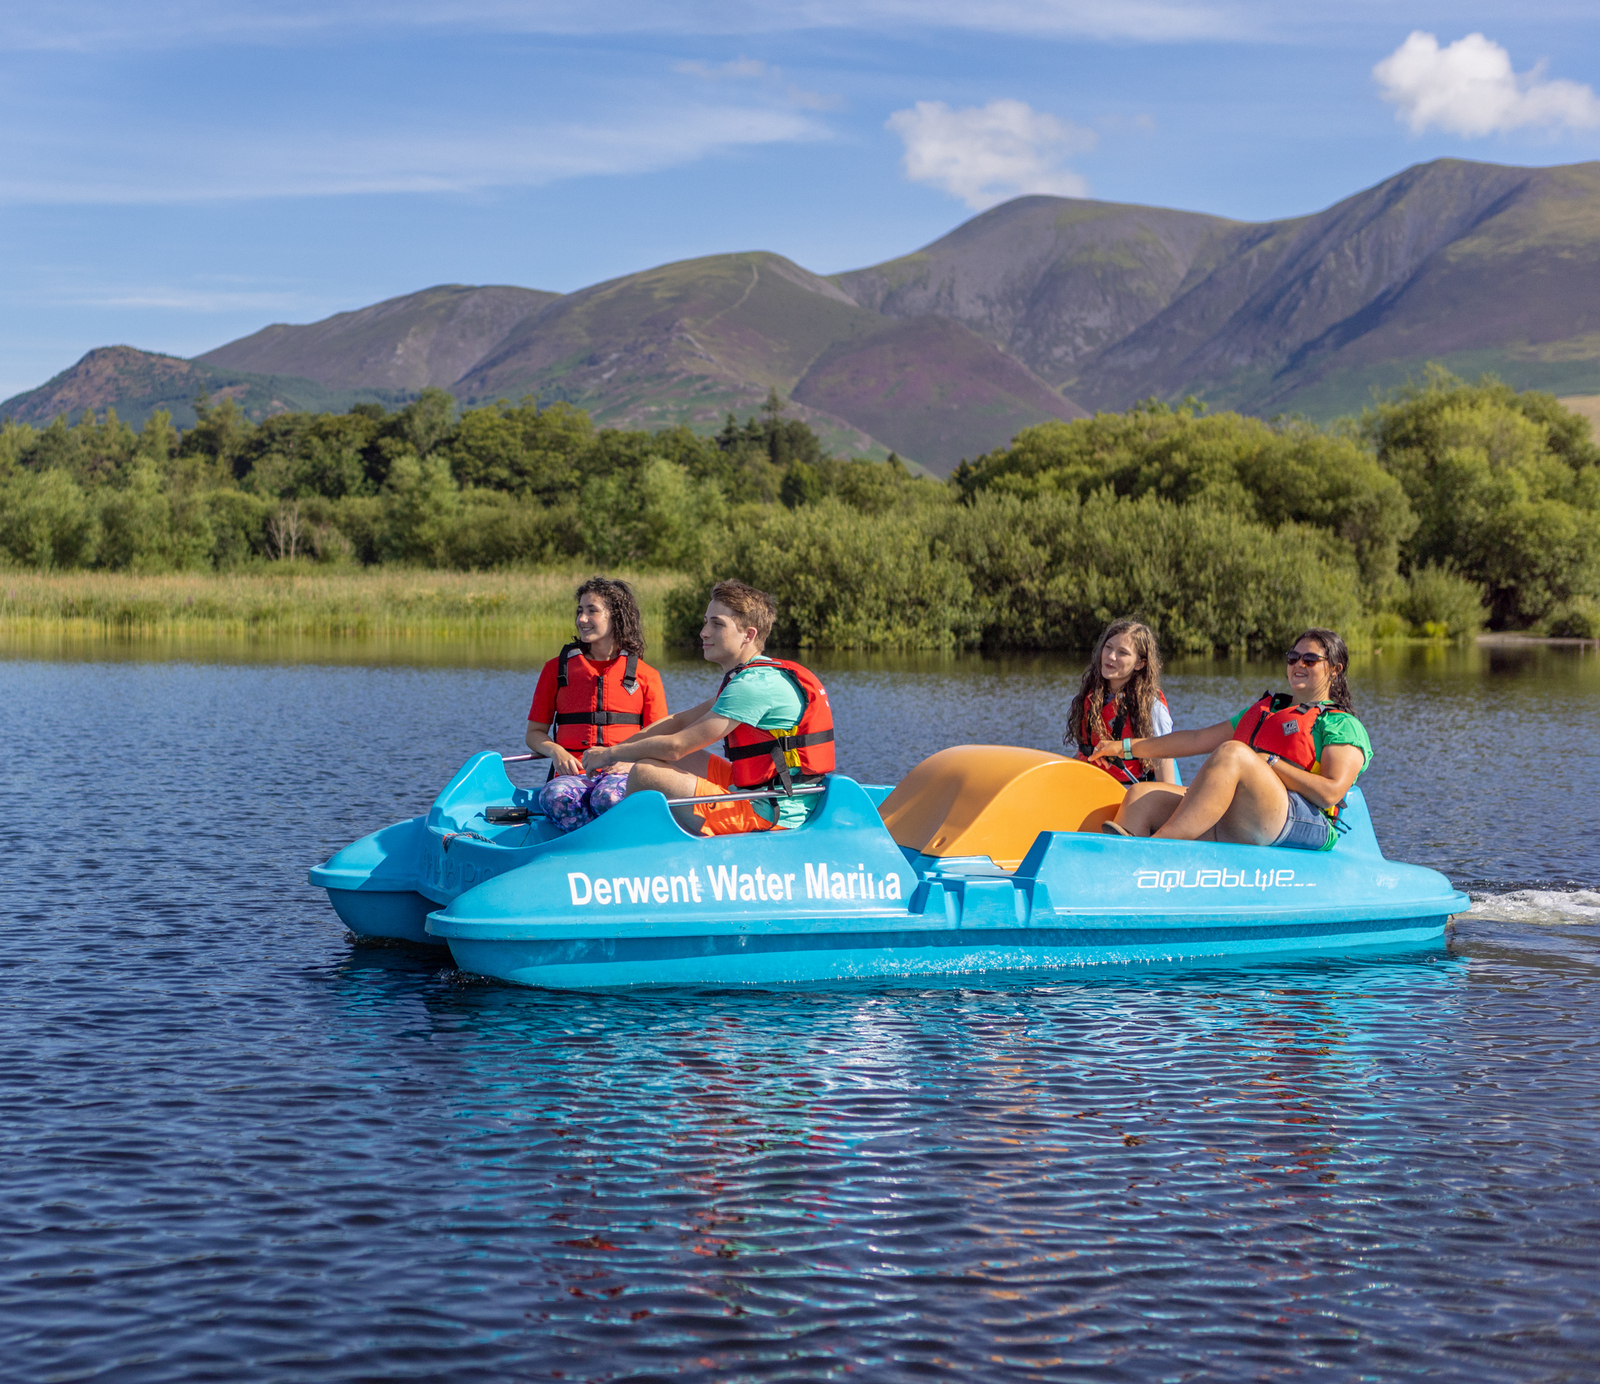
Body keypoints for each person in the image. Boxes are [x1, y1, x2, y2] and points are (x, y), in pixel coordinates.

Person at [581, 579, 835, 836]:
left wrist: (610, 756)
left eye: (717, 624)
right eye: (706, 621)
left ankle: (623, 846)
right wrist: (616, 751)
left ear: (749, 635)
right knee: (662, 755)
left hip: (771, 812)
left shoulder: (753, 686)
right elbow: (678, 721)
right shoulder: (754, 676)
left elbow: (676, 746)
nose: (704, 632)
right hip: (758, 790)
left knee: (646, 773)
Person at [1090, 627, 1370, 851]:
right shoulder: (1266, 711)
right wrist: (1126, 747)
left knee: (1234, 753)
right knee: (1141, 796)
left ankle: (1157, 849)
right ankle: (1121, 878)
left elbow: (1330, 793)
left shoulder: (1341, 724)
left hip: (1304, 819)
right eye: (1292, 658)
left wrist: (1269, 762)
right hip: (1244, 814)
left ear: (1335, 669)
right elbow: (1195, 739)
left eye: (1310, 660)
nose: (1298, 664)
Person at [525, 577, 668, 832]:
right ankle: (587, 848)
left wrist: (632, 764)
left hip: (623, 774)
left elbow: (660, 742)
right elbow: (534, 734)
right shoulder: (555, 670)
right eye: (580, 611)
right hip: (574, 776)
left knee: (608, 798)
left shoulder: (647, 676)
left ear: (616, 617)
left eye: (592, 611)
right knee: (556, 797)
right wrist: (556, 752)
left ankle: (607, 848)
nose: (582, 619)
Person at [1065, 619, 1177, 786]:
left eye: (1122, 653)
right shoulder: (1093, 696)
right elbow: (1084, 752)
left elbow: (1167, 781)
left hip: (1130, 795)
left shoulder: (1152, 709)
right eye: (1108, 647)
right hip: (1092, 787)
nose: (1111, 656)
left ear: (1140, 663)